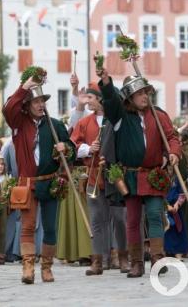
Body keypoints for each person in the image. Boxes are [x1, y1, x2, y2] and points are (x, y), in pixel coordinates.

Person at [96, 66, 180, 279]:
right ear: (130, 98)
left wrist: (174, 152)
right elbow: (111, 102)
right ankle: (136, 262)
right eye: (139, 93)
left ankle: (157, 259)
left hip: (154, 174)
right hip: (131, 175)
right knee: (132, 219)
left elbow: (172, 137)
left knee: (154, 214)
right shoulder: (120, 116)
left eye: (146, 92)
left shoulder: (159, 115)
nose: (144, 96)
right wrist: (106, 82)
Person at [2, 77, 75, 284]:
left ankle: (47, 267)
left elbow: (72, 151)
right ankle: (27, 266)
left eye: (43, 101)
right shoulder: (18, 123)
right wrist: (24, 86)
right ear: (27, 105)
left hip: (50, 182)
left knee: (50, 227)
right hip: (27, 182)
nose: (41, 105)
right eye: (36, 101)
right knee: (27, 226)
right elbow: (8, 108)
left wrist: (65, 149)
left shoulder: (55, 125)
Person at [70, 82, 128, 275]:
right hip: (94, 176)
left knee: (120, 219)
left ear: (101, 99)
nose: (87, 102)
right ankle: (98, 261)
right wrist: (88, 149)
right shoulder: (85, 122)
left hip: (114, 176)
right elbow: (73, 146)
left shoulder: (116, 120)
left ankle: (123, 258)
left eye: (91, 98)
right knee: (96, 220)